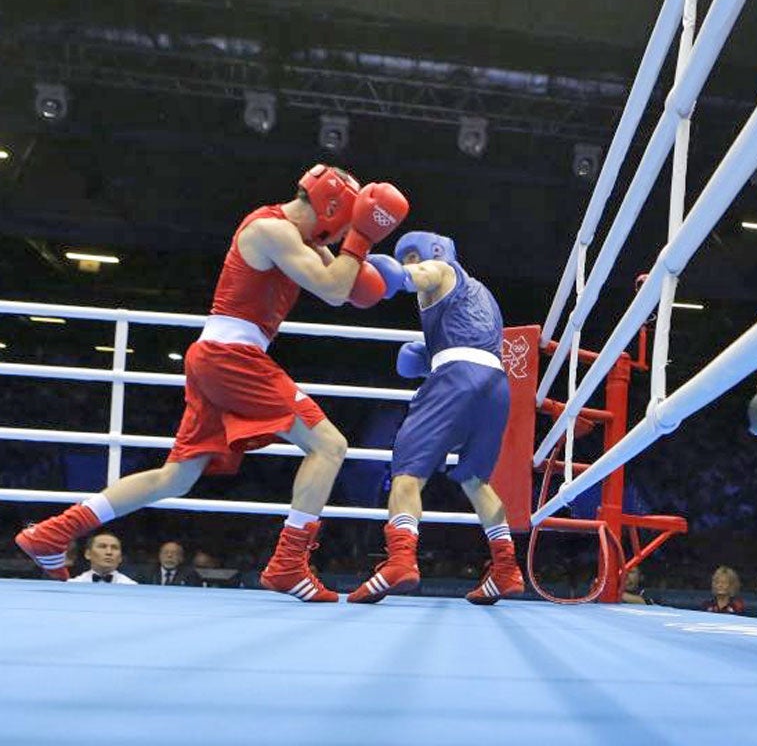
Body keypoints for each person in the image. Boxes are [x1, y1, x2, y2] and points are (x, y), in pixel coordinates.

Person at [16, 164, 410, 603]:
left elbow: (349, 286)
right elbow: (335, 289)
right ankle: (287, 564)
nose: (341, 237)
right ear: (333, 209)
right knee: (329, 445)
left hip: (222, 357)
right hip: (231, 357)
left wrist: (370, 266)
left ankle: (53, 533)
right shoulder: (270, 230)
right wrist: (363, 236)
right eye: (345, 223)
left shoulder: (300, 241)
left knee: (176, 478)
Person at [346, 231, 525, 605]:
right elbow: (471, 341)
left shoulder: (439, 269)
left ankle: (400, 561)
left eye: (413, 254)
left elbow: (420, 275)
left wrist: (396, 274)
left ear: (434, 251)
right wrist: (428, 355)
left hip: (456, 378)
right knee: (476, 480)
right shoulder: (482, 294)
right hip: (495, 385)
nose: (412, 262)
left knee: (406, 474)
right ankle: (507, 568)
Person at [68, 532, 138, 584]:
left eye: (114, 548)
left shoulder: (131, 586)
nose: (109, 552)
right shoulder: (73, 584)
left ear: (120, 557)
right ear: (88, 554)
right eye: (102, 547)